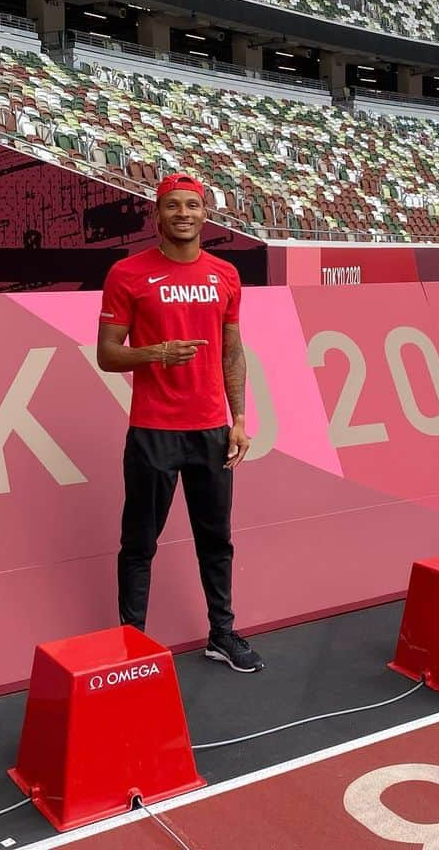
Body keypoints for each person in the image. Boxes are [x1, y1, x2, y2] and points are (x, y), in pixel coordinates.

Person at [96, 173, 264, 673]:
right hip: (153, 431)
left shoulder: (225, 275)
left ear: (205, 214)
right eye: (173, 207)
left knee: (217, 538)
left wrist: (238, 418)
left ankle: (222, 634)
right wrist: (156, 353)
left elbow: (232, 349)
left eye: (192, 206)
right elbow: (107, 354)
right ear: (157, 216)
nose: (184, 214)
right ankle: (132, 646)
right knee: (139, 543)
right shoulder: (127, 274)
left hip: (212, 431)